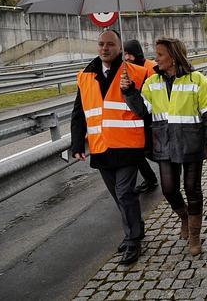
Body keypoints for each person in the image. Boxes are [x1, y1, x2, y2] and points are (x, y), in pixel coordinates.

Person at [122, 37, 207, 257]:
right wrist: (129, 92)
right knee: (168, 189)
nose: (156, 59)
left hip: (191, 142)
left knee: (192, 188)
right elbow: (141, 111)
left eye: (160, 55)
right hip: (164, 142)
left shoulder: (197, 80)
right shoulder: (151, 82)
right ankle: (184, 217)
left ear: (174, 57)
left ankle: (194, 235)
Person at [70, 30, 148, 265]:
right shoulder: (86, 76)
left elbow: (146, 110)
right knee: (118, 195)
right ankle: (136, 227)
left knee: (125, 193)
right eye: (101, 44)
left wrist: (130, 91)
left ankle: (133, 239)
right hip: (101, 146)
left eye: (110, 44)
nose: (105, 48)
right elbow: (79, 112)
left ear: (120, 47)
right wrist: (76, 142)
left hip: (128, 145)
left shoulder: (135, 73)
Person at [123, 39, 159, 193]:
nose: (127, 57)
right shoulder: (128, 69)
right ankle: (151, 179)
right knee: (137, 152)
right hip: (136, 117)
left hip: (151, 117)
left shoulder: (151, 68)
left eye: (129, 54)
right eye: (124, 54)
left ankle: (170, 168)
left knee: (150, 151)